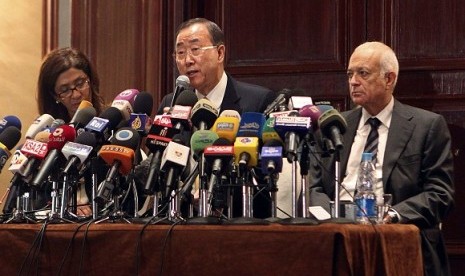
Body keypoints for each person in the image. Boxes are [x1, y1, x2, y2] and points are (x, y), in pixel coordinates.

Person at [308, 41, 454, 275]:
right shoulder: (334, 126)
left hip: (396, 239)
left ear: (389, 79)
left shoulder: (426, 126)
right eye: (350, 74)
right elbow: (315, 186)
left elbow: (440, 194)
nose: (353, 81)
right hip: (338, 237)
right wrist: (330, 220)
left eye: (363, 73)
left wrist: (394, 215)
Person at [157, 18, 275, 218]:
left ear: (220, 53)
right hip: (180, 221)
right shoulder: (173, 103)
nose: (187, 60)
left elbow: (266, 180)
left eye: (195, 50)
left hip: (237, 220)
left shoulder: (256, 103)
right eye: (180, 52)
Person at [36, 47, 106, 217]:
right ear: (55, 96)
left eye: (80, 83)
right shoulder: (50, 134)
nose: (76, 94)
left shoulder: (111, 125)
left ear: (90, 81)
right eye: (65, 89)